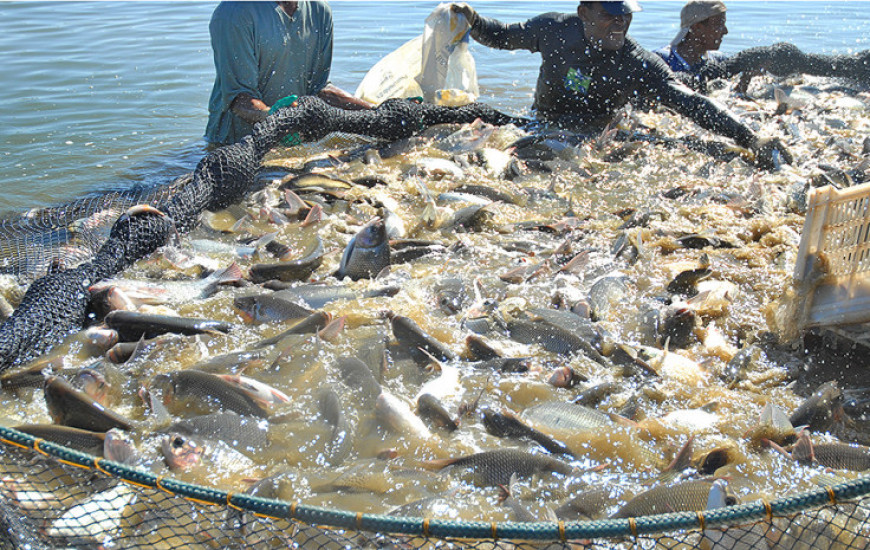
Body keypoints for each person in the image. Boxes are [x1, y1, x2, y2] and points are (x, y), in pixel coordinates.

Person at [450, 1, 791, 169]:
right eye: (610, 15)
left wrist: (751, 138)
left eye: (625, 15)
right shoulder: (553, 30)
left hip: (593, 136)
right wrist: (473, 21)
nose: (620, 23)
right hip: (543, 119)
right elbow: (503, 37)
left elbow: (690, 103)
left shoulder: (637, 62)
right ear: (584, 13)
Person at [205, 1, 372, 146]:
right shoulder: (233, 13)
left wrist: (375, 113)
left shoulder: (319, 9)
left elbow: (317, 90)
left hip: (294, 143)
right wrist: (273, 117)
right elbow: (239, 99)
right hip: (235, 144)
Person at [656, 0, 870, 93]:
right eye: (719, 24)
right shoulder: (661, 60)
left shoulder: (717, 60)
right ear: (697, 28)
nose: (725, 31)